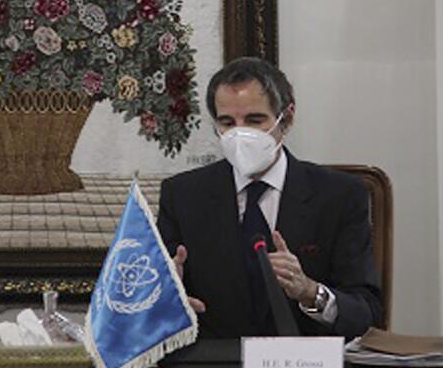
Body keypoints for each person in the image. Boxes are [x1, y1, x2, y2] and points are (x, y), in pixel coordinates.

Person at [157, 57, 382, 339]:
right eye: (227, 122)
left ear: (286, 119)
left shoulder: (340, 196)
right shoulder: (182, 196)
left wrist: (310, 292)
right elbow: (154, 305)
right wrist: (167, 305)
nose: (240, 134)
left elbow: (367, 313)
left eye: (254, 120)